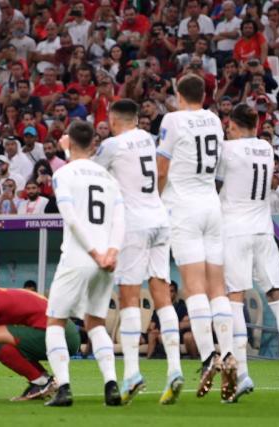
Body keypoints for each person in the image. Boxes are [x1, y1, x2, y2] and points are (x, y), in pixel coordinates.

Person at [93, 99, 183, 405]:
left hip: (133, 224)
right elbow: (159, 173)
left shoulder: (111, 146)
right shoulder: (148, 138)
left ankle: (131, 372)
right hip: (160, 218)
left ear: (113, 120)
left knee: (129, 295)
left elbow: (89, 176)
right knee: (162, 293)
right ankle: (174, 369)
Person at [217, 103, 279, 403]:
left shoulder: (227, 150)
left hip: (235, 230)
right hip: (264, 229)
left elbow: (214, 185)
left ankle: (242, 373)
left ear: (233, 124)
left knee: (235, 298)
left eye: (229, 124)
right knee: (278, 297)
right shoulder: (267, 149)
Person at [156, 74, 237, 403]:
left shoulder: (172, 119)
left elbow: (161, 170)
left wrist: (154, 203)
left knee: (193, 287)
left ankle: (208, 357)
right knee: (218, 287)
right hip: (211, 205)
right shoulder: (215, 119)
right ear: (204, 94)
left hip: (183, 207)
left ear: (178, 94)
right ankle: (229, 352)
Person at [45, 121, 125, 407]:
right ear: (94, 143)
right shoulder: (108, 177)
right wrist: (111, 252)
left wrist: (93, 253)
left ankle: (64, 388)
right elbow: (119, 219)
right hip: (107, 260)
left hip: (81, 256)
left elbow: (71, 216)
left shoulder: (63, 174)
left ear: (68, 142)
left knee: (55, 320)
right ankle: (111, 385)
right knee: (96, 323)